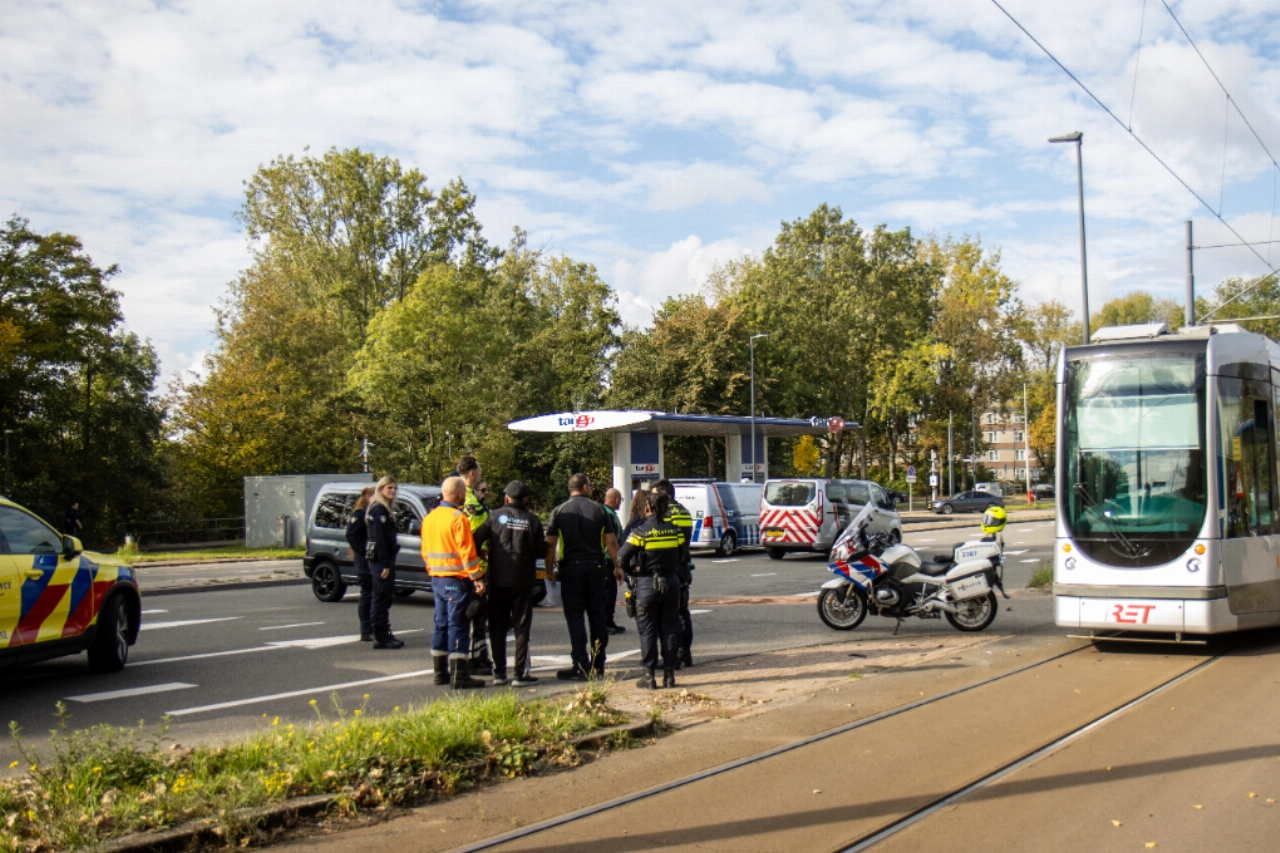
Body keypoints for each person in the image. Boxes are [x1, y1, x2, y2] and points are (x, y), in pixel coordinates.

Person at [545, 473, 621, 681]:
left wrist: (549, 570)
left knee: (575, 617)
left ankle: (579, 664)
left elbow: (550, 543)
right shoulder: (599, 510)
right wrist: (617, 566)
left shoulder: (559, 511)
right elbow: (611, 542)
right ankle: (598, 665)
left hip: (570, 570)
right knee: (597, 616)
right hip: (596, 568)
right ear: (585, 487)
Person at [473, 481, 544, 686]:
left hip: (497, 579)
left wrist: (484, 553)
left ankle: (499, 673)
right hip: (522, 580)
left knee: (497, 627)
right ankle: (520, 674)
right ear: (526, 500)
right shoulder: (533, 520)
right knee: (521, 627)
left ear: (506, 498)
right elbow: (541, 551)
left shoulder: (493, 516)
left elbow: (476, 539)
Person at [617, 490, 686, 689]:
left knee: (647, 631)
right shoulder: (675, 531)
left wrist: (633, 572)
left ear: (649, 507)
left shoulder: (641, 532)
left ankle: (649, 677)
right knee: (669, 629)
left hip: (647, 584)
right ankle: (669, 675)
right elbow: (682, 556)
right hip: (671, 583)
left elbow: (622, 558)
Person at [424, 476, 486, 689]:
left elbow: (425, 551)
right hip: (456, 578)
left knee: (440, 623)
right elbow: (467, 552)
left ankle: (439, 672)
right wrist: (476, 577)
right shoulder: (458, 518)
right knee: (458, 624)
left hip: (436, 578)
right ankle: (460, 674)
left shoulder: (430, 517)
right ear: (460, 494)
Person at [456, 457, 495, 676]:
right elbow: (474, 534)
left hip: (471, 565)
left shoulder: (462, 496)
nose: (481, 474)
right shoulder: (469, 499)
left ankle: (478, 657)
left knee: (477, 616)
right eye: (479, 470)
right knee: (475, 616)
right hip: (475, 566)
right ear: (472, 473)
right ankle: (475, 660)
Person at [652, 479, 695, 668]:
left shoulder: (664, 514)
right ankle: (685, 652)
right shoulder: (684, 511)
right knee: (683, 611)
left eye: (654, 494)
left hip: (668, 567)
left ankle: (673, 656)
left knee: (669, 615)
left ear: (662, 493)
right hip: (684, 566)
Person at [366, 476, 404, 650]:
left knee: (384, 597)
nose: (393, 491)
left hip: (384, 558)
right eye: (389, 488)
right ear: (381, 489)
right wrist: (385, 564)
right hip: (381, 560)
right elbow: (380, 540)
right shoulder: (379, 510)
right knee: (381, 597)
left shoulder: (383, 509)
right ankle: (380, 635)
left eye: (394, 488)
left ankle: (383, 632)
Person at [345, 487, 376, 641]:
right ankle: (366, 628)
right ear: (369, 497)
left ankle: (374, 626)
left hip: (373, 560)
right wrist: (364, 552)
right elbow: (351, 535)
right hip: (364, 561)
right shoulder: (360, 514)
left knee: (375, 594)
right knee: (367, 593)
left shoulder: (373, 513)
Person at [602, 487, 627, 635]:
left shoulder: (609, 513)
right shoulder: (608, 514)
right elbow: (611, 540)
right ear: (616, 500)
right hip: (607, 558)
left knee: (611, 592)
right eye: (620, 500)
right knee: (607, 592)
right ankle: (605, 622)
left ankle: (609, 620)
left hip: (609, 557)